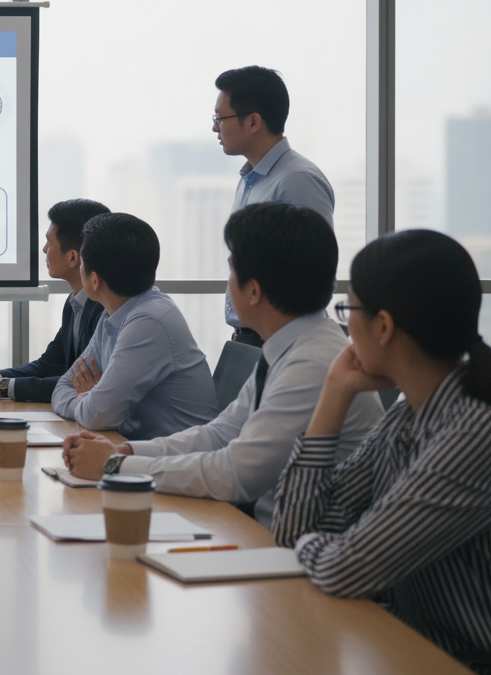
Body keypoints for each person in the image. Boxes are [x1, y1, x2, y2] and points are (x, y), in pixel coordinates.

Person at [60, 204, 382, 527]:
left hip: (281, 544)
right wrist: (127, 453)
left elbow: (234, 474)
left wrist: (114, 466)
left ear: (253, 291)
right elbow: (220, 433)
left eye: (231, 271)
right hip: (258, 528)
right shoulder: (291, 342)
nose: (228, 285)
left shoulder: (311, 364)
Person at [274, 230, 491, 673]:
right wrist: (334, 396)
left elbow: (343, 569)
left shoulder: (475, 431)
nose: (344, 324)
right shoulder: (407, 415)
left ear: (384, 326)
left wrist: (320, 544)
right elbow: (293, 530)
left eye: (348, 310)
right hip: (400, 643)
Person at [50, 213, 217, 441]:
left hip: (177, 462)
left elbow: (97, 415)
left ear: (95, 280)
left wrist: (91, 400)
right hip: (138, 449)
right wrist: (89, 400)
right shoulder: (113, 315)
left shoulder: (148, 321)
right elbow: (63, 387)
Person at [213, 66, 335, 347]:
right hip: (250, 339)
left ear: (253, 122)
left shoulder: (297, 180)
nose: (214, 127)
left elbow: (316, 272)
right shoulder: (249, 179)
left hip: (284, 340)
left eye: (220, 118)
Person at [0, 199, 110, 401]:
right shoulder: (75, 303)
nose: (44, 249)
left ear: (73, 258)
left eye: (50, 242)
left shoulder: (105, 308)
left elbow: (76, 383)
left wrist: (3, 386)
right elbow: (48, 365)